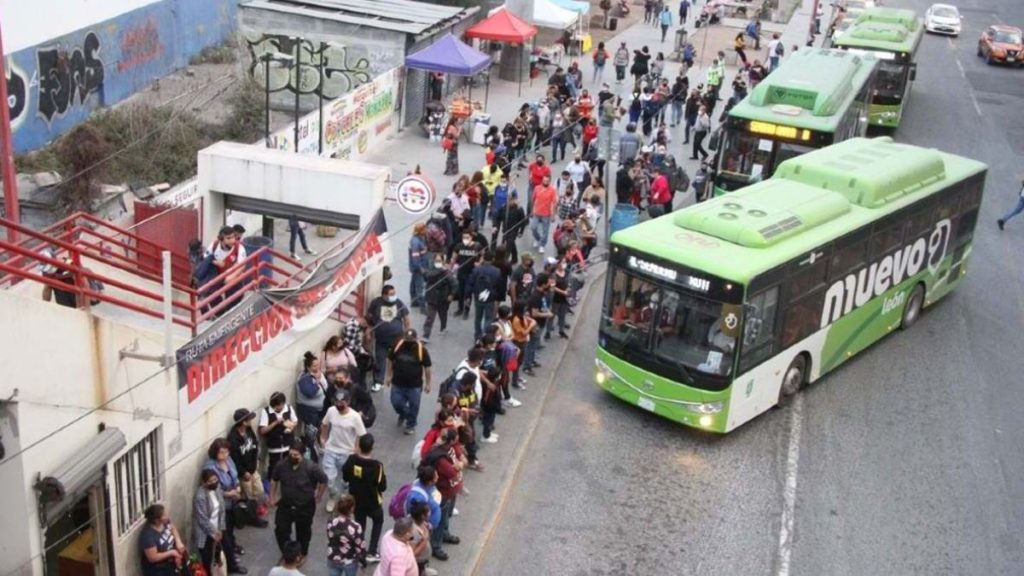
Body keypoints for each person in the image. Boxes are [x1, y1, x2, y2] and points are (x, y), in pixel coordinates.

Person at [271, 440, 328, 560]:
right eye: (291, 454)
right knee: (281, 530)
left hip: (304, 506)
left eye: (296, 455)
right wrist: (272, 496)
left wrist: (319, 495)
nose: (292, 457)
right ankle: (287, 551)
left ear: (302, 454)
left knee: (303, 532)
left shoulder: (311, 467)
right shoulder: (281, 465)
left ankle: (302, 553)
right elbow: (274, 479)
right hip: (286, 504)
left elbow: (323, 480)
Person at [203, 439, 249, 574]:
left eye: (226, 451)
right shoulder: (210, 467)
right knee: (225, 535)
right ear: (215, 452)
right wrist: (228, 494)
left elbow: (234, 476)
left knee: (231, 530)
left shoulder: (229, 461)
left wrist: (238, 487)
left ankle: (232, 548)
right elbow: (212, 488)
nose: (225, 455)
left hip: (234, 501)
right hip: (222, 505)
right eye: (221, 452)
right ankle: (232, 564)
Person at [341, 433, 387, 563]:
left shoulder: (351, 460)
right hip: (373, 502)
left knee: (360, 525)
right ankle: (372, 551)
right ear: (372, 448)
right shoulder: (377, 466)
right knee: (378, 521)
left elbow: (345, 477)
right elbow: (382, 486)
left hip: (356, 501)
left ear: (359, 446)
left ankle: (359, 550)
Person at [320, 389, 367, 512]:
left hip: (347, 453)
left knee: (345, 481)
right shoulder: (331, 411)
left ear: (348, 402)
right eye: (337, 402)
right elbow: (324, 424)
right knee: (329, 479)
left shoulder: (355, 417)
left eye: (342, 402)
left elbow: (361, 434)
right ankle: (333, 496)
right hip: (331, 449)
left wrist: (356, 449)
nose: (339, 404)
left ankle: (344, 500)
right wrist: (323, 438)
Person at [421, 427, 463, 560]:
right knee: (440, 518)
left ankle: (445, 534)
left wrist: (458, 465)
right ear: (449, 441)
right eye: (455, 440)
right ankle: (436, 546)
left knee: (447, 515)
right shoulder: (440, 458)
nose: (456, 443)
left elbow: (458, 462)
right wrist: (459, 467)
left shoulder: (447, 449)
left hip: (451, 490)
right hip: (443, 492)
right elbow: (452, 473)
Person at [386, 329, 433, 434]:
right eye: (407, 339)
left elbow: (427, 367)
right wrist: (389, 376)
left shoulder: (421, 350)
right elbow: (389, 359)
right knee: (396, 403)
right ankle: (405, 414)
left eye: (411, 340)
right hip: (398, 383)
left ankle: (411, 424)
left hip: (414, 386)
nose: (408, 342)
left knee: (414, 406)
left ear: (415, 339)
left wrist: (428, 383)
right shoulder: (397, 346)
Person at [366, 285, 411, 391]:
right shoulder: (376, 303)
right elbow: (369, 318)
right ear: (384, 295)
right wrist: (368, 331)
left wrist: (407, 334)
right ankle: (378, 381)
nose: (394, 296)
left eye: (394, 293)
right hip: (381, 338)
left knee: (400, 359)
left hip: (397, 337)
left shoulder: (399, 303)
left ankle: (401, 379)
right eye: (391, 294)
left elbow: (406, 319)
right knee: (380, 360)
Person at [192, 469, 226, 574]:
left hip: (217, 528)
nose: (214, 482)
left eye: (215, 479)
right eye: (211, 481)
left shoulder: (217, 488)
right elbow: (202, 519)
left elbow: (222, 509)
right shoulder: (200, 496)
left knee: (217, 555)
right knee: (206, 559)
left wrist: (220, 528)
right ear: (204, 482)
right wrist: (214, 532)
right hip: (205, 532)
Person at [139, 503, 186, 576]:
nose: (167, 516)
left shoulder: (165, 522)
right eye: (164, 515)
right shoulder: (148, 536)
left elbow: (172, 528)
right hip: (159, 569)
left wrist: (178, 541)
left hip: (172, 563)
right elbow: (152, 557)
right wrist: (172, 553)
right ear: (156, 520)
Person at [296, 351, 328, 457]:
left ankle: (319, 447)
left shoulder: (318, 374)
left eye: (318, 364)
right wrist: (318, 381)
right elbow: (310, 393)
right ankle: (310, 454)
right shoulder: (304, 379)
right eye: (314, 365)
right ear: (308, 367)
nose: (317, 367)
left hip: (319, 410)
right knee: (311, 433)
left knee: (319, 429)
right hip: (309, 411)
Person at [325, 495, 367, 576]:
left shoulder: (331, 521)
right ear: (351, 508)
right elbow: (360, 547)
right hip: (349, 560)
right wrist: (363, 563)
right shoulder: (355, 526)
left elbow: (330, 536)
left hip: (333, 557)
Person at [228, 409, 263, 504]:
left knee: (259, 490)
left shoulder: (249, 430)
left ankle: (256, 507)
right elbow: (234, 459)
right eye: (249, 419)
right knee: (249, 494)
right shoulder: (233, 438)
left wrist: (257, 460)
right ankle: (251, 512)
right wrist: (243, 472)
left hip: (253, 467)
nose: (251, 420)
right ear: (243, 422)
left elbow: (255, 444)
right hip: (244, 473)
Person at [260, 392, 298, 478]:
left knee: (289, 464)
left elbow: (295, 421)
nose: (277, 408)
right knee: (274, 466)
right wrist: (275, 422)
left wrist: (291, 427)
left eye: (279, 406)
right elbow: (263, 430)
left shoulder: (288, 408)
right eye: (275, 407)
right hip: (274, 445)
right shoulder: (266, 411)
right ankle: (272, 482)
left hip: (288, 443)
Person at [468, 251, 502, 341]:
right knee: (488, 318)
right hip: (490, 298)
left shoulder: (476, 270)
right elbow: (499, 286)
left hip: (478, 297)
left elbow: (470, 283)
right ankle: (486, 335)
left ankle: (477, 336)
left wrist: (468, 296)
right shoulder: (497, 271)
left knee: (478, 317)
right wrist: (497, 297)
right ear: (493, 259)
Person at [422, 254, 456, 340]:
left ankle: (443, 327)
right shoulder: (430, 269)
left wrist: (451, 294)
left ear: (443, 261)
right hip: (432, 298)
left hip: (443, 297)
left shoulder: (447, 272)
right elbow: (427, 276)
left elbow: (454, 283)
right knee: (430, 317)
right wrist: (441, 270)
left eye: (439, 261)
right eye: (436, 261)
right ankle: (426, 335)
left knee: (443, 315)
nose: (438, 263)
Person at [531, 175, 558, 254]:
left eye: (547, 181)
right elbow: (533, 199)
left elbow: (555, 203)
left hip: (546, 214)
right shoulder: (537, 188)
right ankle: (538, 238)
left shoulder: (552, 190)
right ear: (542, 180)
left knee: (545, 231)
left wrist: (553, 215)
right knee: (533, 228)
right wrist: (531, 210)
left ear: (549, 181)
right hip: (536, 212)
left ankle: (542, 245)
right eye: (544, 180)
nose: (545, 182)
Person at [408, 501, 434, 576]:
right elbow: (412, 553)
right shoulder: (414, 531)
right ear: (422, 516)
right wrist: (424, 541)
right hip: (418, 561)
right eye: (428, 511)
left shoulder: (417, 519)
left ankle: (424, 570)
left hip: (424, 559)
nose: (430, 512)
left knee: (422, 568)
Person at [408, 223, 429, 308]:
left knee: (413, 283)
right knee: (419, 286)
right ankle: (422, 305)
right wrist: (420, 268)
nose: (426, 230)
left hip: (417, 266)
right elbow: (415, 257)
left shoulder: (420, 239)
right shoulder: (416, 242)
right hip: (418, 267)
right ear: (421, 231)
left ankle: (414, 301)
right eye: (425, 229)